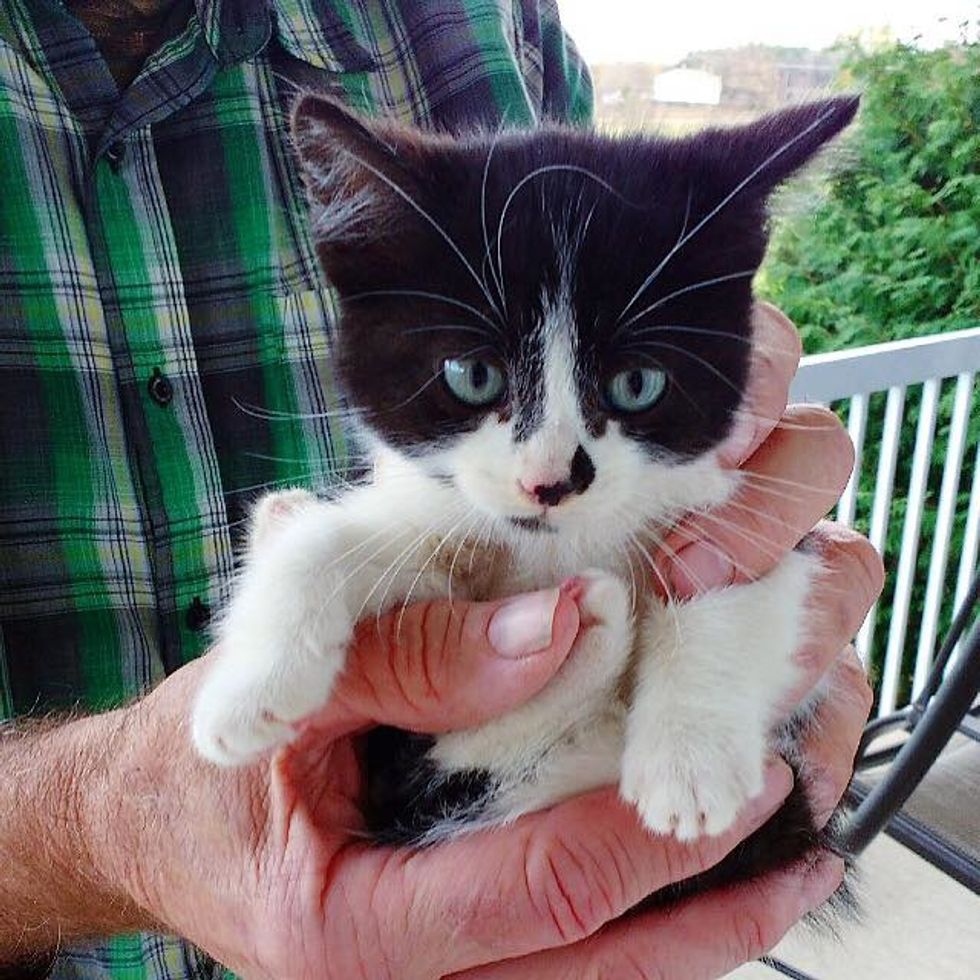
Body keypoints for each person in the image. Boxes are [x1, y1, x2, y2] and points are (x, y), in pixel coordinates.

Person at [0, 1, 881, 977]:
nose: (545, 472)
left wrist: (734, 623)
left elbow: (744, 583)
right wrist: (107, 817)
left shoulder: (491, 26)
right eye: (474, 382)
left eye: (624, 388)